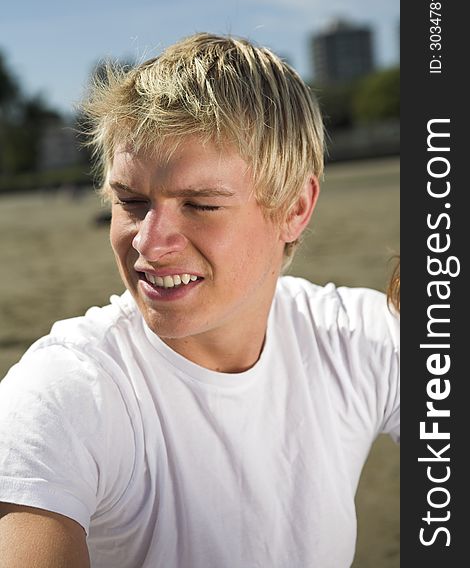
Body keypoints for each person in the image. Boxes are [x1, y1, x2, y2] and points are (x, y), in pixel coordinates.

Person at [0, 33, 399, 568]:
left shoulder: (354, 341)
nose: (148, 242)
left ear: (295, 207)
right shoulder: (69, 391)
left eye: (200, 205)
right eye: (132, 201)